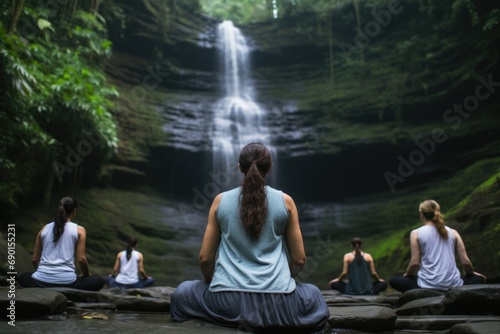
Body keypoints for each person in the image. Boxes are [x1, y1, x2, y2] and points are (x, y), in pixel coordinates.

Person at [170, 142, 329, 332]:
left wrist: (213, 283)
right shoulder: (286, 202)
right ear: (269, 167)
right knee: (314, 295)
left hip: (228, 302)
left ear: (240, 167)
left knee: (182, 293)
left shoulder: (220, 201)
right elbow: (299, 259)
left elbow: (205, 258)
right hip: (277, 305)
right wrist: (284, 282)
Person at [389, 199, 486, 293]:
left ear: (422, 214)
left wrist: (408, 275)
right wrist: (472, 274)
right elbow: (465, 262)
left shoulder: (416, 233)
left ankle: (427, 292)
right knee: (479, 279)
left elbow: (414, 262)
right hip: (453, 284)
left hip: (427, 286)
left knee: (394, 280)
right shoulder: (453, 232)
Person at [17, 197, 105, 291]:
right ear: (74, 211)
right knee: (99, 281)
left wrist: (44, 275)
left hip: (40, 281)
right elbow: (81, 259)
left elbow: (34, 260)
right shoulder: (80, 230)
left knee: (22, 277)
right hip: (67, 282)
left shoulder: (44, 228)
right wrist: (86, 275)